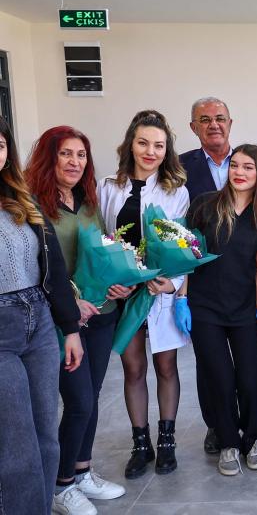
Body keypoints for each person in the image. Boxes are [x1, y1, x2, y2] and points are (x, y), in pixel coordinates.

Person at [25, 126, 131, 514]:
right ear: (49, 157)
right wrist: (72, 301)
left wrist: (118, 281)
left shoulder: (88, 201)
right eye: (66, 154)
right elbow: (34, 265)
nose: (75, 162)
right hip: (62, 321)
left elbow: (101, 251)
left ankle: (82, 471)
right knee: (79, 401)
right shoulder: (32, 205)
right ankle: (61, 484)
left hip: (100, 314)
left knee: (92, 395)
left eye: (81, 155)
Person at [179, 96, 257, 453]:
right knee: (217, 378)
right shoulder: (204, 204)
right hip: (205, 307)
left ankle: (254, 434)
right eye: (235, 166)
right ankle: (226, 439)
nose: (239, 172)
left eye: (248, 167)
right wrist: (182, 299)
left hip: (245, 308)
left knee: (250, 378)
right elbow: (187, 255)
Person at [98, 109, 189, 479]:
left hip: (158, 291)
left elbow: (183, 245)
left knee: (166, 366)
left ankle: (167, 441)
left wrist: (173, 283)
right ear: (130, 145)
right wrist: (109, 281)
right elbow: (101, 241)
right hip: (124, 294)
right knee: (133, 368)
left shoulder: (176, 191)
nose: (151, 152)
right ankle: (141, 445)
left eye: (159, 146)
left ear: (167, 151)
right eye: (143, 143)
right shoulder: (108, 187)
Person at [0, 115, 84, 515]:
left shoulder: (22, 198)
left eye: (0, 145)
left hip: (39, 321)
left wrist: (70, 329)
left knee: (47, 436)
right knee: (17, 443)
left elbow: (53, 268)